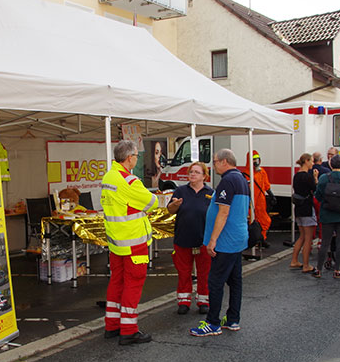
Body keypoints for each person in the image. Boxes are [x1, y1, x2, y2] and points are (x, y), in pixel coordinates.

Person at [101, 140, 158, 345]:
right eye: (136, 155)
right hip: (134, 243)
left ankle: (112, 325)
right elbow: (153, 203)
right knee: (133, 285)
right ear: (129, 158)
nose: (136, 158)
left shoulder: (109, 176)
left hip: (116, 242)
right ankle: (129, 329)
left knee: (116, 282)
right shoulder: (130, 181)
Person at [189, 149, 250, 337]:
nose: (213, 165)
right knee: (235, 281)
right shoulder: (241, 179)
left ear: (224, 162)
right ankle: (233, 318)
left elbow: (223, 212)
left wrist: (213, 239)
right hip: (238, 237)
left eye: (214, 162)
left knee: (215, 281)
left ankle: (213, 322)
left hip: (226, 239)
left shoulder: (228, 181)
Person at [167, 162, 213, 315]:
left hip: (203, 240)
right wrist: (175, 205)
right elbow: (170, 210)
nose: (193, 174)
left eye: (197, 172)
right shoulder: (180, 191)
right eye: (191, 172)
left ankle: (203, 301)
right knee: (184, 272)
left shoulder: (211, 193)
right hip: (183, 239)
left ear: (204, 176)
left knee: (204, 272)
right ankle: (184, 301)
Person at [312, 155, 340, 280]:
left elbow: (318, 196)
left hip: (327, 214)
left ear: (331, 165)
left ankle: (319, 269)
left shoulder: (323, 178)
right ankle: (337, 270)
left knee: (325, 243)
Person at [289, 153, 317, 273]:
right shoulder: (307, 176)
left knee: (301, 236)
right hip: (307, 208)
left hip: (298, 208)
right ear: (306, 161)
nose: (313, 163)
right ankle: (306, 265)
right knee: (308, 238)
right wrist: (315, 178)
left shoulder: (296, 176)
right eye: (311, 161)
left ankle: (294, 260)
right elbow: (315, 189)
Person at [243, 150, 273, 247]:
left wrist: (271, 195)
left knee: (265, 221)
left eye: (257, 159)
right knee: (252, 223)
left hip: (261, 202)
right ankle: (252, 241)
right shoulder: (246, 174)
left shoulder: (262, 172)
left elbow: (266, 185)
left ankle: (262, 238)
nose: (256, 161)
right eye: (254, 159)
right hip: (251, 203)